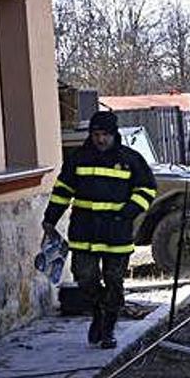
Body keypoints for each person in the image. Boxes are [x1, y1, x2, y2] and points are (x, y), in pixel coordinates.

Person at [42, 111, 157, 349]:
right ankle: (98, 312)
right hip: (84, 233)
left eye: (105, 134)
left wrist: (129, 212)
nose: (100, 139)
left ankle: (109, 328)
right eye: (96, 134)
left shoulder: (131, 159)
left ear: (114, 134)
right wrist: (50, 219)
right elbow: (63, 190)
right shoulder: (78, 158)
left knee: (114, 281)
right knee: (85, 279)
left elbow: (147, 189)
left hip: (116, 233)